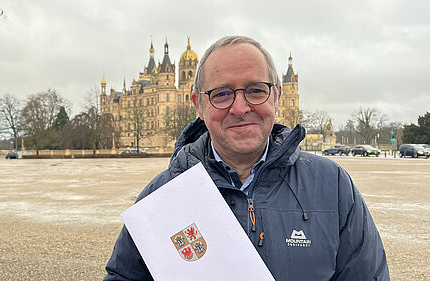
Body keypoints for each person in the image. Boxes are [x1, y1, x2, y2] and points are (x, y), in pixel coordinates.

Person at [103, 35, 390, 281]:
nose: (240, 108)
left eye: (256, 91)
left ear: (277, 97)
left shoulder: (333, 187)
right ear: (198, 105)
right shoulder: (163, 195)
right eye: (222, 94)